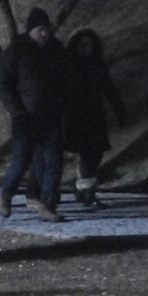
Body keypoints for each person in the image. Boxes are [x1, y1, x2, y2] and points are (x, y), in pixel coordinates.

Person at [0, 7, 70, 222]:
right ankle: (6, 193)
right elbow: (1, 83)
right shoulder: (17, 50)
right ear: (30, 30)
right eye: (40, 30)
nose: (44, 34)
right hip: (25, 117)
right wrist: (17, 111)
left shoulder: (57, 50)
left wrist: (63, 105)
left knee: (54, 162)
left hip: (51, 116)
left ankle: (48, 204)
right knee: (21, 161)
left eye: (47, 29)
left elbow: (67, 79)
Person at [62, 28, 126, 207]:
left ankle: (81, 186)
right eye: (82, 45)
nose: (86, 48)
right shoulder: (69, 66)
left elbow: (109, 88)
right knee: (87, 154)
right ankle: (87, 191)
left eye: (89, 44)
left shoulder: (97, 64)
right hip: (76, 116)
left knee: (95, 154)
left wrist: (119, 110)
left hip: (95, 115)